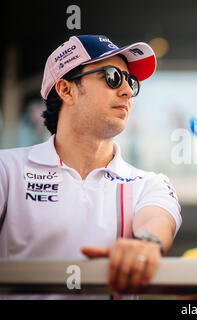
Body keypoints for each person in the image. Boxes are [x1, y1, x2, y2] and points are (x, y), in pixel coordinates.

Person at [0, 35, 182, 298]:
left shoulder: (149, 183)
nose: (128, 91)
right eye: (112, 77)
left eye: (130, 81)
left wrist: (147, 245)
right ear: (66, 90)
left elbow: (157, 220)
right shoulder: (7, 169)